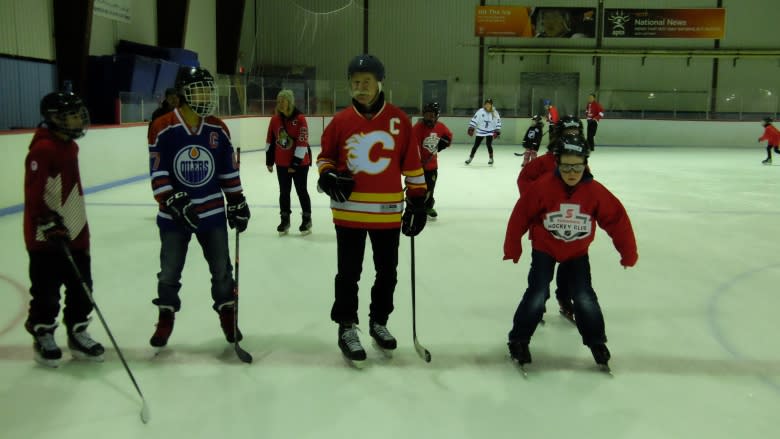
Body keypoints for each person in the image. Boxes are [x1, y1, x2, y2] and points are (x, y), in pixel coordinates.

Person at [317, 54, 428, 364]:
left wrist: (418, 201)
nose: (360, 87)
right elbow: (325, 157)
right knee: (348, 273)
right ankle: (346, 326)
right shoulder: (341, 121)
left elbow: (412, 165)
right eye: (355, 82)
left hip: (387, 212)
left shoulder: (399, 121)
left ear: (380, 82)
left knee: (387, 273)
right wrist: (326, 176)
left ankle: (379, 321)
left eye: (366, 82)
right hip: (348, 212)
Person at [503, 134, 638, 368]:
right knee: (536, 293)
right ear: (557, 163)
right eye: (566, 166)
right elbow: (521, 215)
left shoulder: (595, 192)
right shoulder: (542, 188)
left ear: (586, 164)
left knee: (584, 296)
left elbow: (616, 220)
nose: (572, 172)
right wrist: (513, 245)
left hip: (576, 252)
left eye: (577, 166)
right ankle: (519, 339)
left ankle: (596, 341)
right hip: (545, 249)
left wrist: (627, 252)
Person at [147, 66, 251, 349]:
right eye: (199, 89)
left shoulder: (218, 127)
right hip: (173, 217)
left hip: (212, 213)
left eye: (208, 89)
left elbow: (227, 169)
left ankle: (227, 313)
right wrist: (171, 200)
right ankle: (165, 316)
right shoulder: (163, 126)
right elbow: (158, 172)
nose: (206, 95)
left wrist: (237, 200)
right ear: (184, 93)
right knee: (169, 271)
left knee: (221, 269)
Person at [23, 91, 105, 367]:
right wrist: (46, 221)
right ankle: (43, 333)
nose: (78, 119)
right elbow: (34, 194)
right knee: (46, 291)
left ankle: (78, 331)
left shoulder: (70, 146)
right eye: (72, 115)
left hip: (76, 230)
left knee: (82, 288)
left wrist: (72, 226)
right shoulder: (42, 150)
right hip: (45, 237)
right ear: (55, 118)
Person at [516, 115, 586, 322]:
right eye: (568, 133)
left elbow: (587, 189)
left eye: (576, 133)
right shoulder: (542, 163)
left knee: (570, 271)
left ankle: (565, 300)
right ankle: (537, 304)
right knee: (541, 274)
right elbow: (524, 181)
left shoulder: (581, 163)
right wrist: (538, 204)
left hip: (571, 230)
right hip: (544, 231)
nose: (572, 137)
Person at [265, 89, 313, 235]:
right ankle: (285, 219)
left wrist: (295, 164)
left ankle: (307, 218)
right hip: (281, 164)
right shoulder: (274, 120)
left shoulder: (300, 119)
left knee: (301, 191)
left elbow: (302, 142)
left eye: (282, 100)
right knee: (284, 192)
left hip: (300, 164)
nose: (279, 104)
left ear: (290, 101)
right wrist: (269, 161)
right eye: (278, 101)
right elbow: (270, 140)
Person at [412, 101, 453, 219]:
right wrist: (417, 162)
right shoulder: (418, 128)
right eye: (427, 115)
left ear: (437, 116)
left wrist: (443, 143)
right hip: (417, 166)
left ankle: (428, 206)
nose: (429, 118)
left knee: (430, 187)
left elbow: (449, 136)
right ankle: (414, 206)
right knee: (416, 188)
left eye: (432, 115)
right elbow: (413, 147)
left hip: (432, 166)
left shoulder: (441, 127)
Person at [465, 98, 501, 165]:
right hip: (480, 131)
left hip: (490, 131)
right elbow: (475, 119)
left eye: (489, 104)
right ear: (484, 104)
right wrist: (471, 127)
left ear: (491, 105)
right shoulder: (480, 111)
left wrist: (497, 130)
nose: (487, 105)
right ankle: (470, 158)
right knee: (476, 145)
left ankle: (491, 158)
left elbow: (498, 121)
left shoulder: (494, 112)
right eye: (486, 104)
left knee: (489, 144)